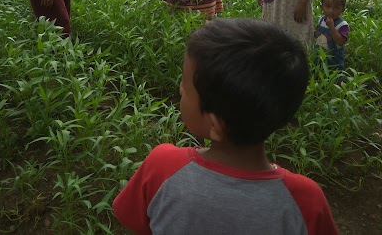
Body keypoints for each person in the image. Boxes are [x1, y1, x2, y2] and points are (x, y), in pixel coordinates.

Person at [112, 18, 338, 235]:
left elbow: (136, 223)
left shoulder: (162, 167)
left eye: (186, 85)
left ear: (214, 125)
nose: (180, 88)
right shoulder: (306, 201)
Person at [315, 0, 349, 70]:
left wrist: (332, 27)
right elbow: (317, 34)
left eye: (336, 7)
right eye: (328, 6)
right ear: (321, 7)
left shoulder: (342, 25)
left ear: (343, 10)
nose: (331, 10)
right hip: (319, 59)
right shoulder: (321, 20)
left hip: (334, 63)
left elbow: (341, 42)